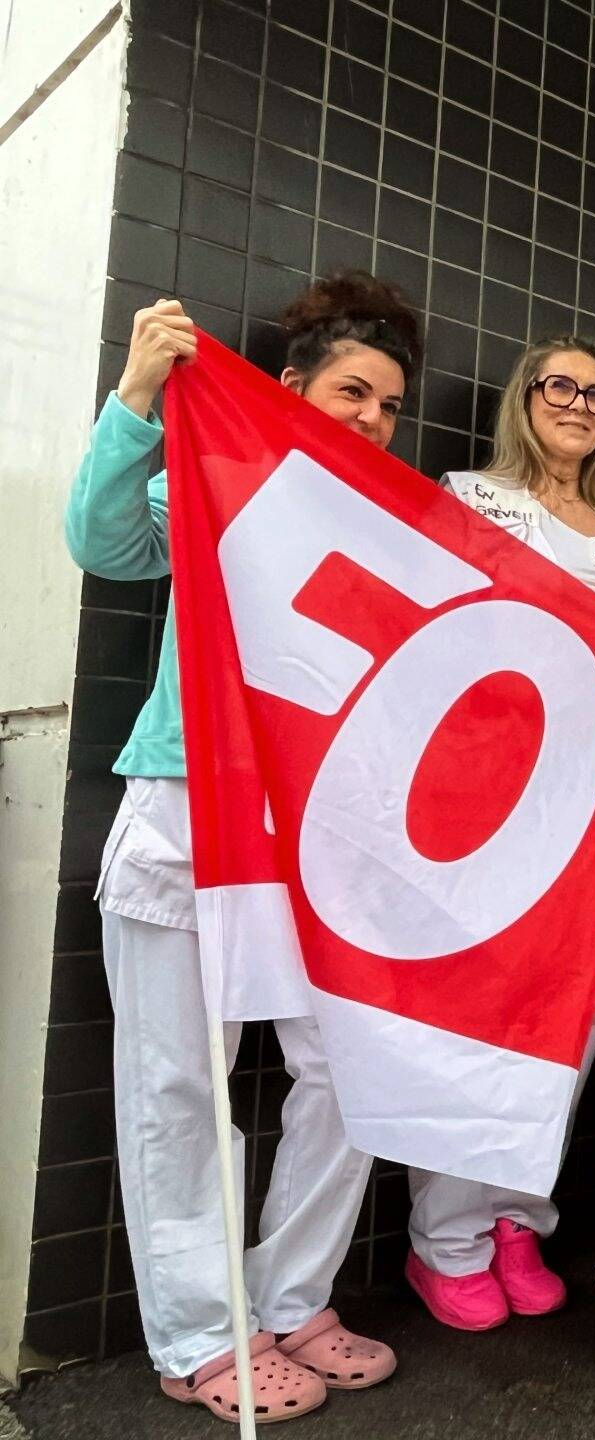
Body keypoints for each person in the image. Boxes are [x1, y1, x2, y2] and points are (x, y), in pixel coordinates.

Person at [64, 274, 420, 1422]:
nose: (371, 419)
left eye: (389, 404)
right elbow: (105, 541)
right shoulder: (224, 475)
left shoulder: (396, 524)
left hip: (322, 837)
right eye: (352, 391)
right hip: (188, 806)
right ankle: (199, 1336)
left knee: (351, 1067)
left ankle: (290, 1294)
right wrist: (136, 394)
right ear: (288, 387)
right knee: (177, 1086)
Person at [406, 337, 595, 1330]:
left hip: (592, 813)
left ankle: (520, 1215)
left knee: (570, 1020)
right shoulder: (467, 498)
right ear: (525, 399)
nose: (577, 404)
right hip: (483, 804)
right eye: (558, 386)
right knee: (474, 1018)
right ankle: (446, 1237)